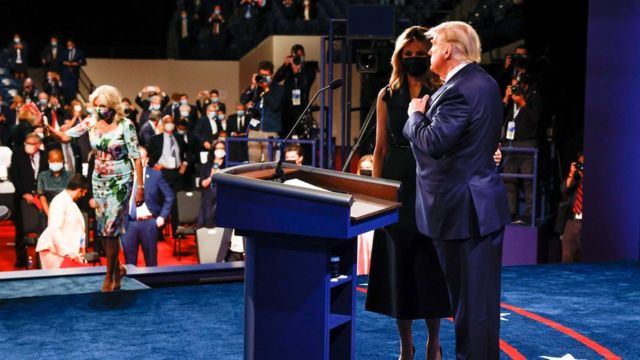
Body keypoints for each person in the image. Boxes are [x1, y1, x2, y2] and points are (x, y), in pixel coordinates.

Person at [402, 22, 510, 359]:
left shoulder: (459, 89)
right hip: (479, 208)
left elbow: (434, 141)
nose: (430, 52)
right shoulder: (486, 83)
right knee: (479, 305)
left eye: (433, 46)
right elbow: (480, 140)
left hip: (464, 213)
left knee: (471, 307)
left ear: (448, 49)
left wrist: (414, 115)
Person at [365, 26, 450, 360]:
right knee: (399, 266)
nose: (414, 59)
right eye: (408, 54)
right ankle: (405, 344)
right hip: (397, 180)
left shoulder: (442, 89)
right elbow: (381, 148)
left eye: (420, 53)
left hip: (431, 178)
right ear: (399, 56)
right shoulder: (387, 93)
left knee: (430, 265)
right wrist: (376, 193)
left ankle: (433, 341)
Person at [48, 85, 143, 292]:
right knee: (103, 229)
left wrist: (140, 187)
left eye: (103, 106)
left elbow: (136, 157)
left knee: (111, 228)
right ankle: (117, 267)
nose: (99, 109)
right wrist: (49, 129)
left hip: (120, 179)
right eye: (96, 105)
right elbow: (66, 136)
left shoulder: (126, 125)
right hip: (98, 178)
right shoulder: (91, 122)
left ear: (113, 105)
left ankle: (109, 276)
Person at [122, 146, 174, 267]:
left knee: (151, 260)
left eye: (141, 157)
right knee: (129, 262)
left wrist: (162, 216)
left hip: (149, 223)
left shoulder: (156, 175)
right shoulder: (123, 177)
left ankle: (152, 285)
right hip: (128, 223)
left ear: (146, 160)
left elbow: (169, 196)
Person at [10, 132, 48, 268]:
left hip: (41, 198)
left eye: (32, 144)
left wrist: (41, 194)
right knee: (20, 230)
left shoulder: (45, 156)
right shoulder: (18, 155)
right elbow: (14, 176)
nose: (29, 146)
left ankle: (42, 260)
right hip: (22, 198)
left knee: (42, 227)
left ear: (38, 145)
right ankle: (21, 259)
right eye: (27, 143)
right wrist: (24, 194)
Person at [35, 174, 89, 269]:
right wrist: (67, 252)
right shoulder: (59, 201)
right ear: (79, 189)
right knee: (58, 282)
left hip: (68, 252)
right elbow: (55, 229)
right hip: (54, 251)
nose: (83, 195)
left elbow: (81, 230)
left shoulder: (72, 204)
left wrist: (82, 248)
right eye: (84, 192)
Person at [240, 61, 284, 162]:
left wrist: (266, 89)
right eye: (262, 75)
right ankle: (253, 178)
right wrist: (252, 86)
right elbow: (243, 100)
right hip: (254, 129)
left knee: (269, 162)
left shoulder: (279, 89)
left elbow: (274, 105)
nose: (263, 78)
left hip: (270, 129)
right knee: (253, 160)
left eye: (266, 75)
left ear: (271, 74)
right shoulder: (256, 88)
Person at [560, 153, 583, 263]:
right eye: (580, 164)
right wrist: (571, 173)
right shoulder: (575, 180)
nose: (582, 167)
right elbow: (564, 189)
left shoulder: (596, 181)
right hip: (572, 220)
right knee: (567, 255)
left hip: (587, 223)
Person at [197, 140, 226, 228]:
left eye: (222, 148)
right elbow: (203, 184)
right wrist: (212, 176)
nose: (220, 151)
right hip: (209, 198)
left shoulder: (227, 164)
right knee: (208, 221)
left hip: (223, 197)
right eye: (217, 148)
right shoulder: (207, 165)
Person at [37, 148, 71, 217]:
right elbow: (42, 197)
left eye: (58, 161)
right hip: (48, 211)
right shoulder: (43, 176)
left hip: (67, 212)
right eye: (53, 161)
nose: (55, 163)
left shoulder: (70, 176)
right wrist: (49, 215)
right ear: (49, 161)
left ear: (62, 161)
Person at [61, 39, 87, 104]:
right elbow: (60, 60)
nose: (69, 46)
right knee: (65, 87)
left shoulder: (79, 52)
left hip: (74, 73)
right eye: (68, 45)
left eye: (70, 44)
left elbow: (84, 62)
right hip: (66, 72)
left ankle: (72, 102)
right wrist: (65, 62)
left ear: (73, 44)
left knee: (73, 88)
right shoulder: (64, 51)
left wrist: (77, 63)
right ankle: (65, 103)